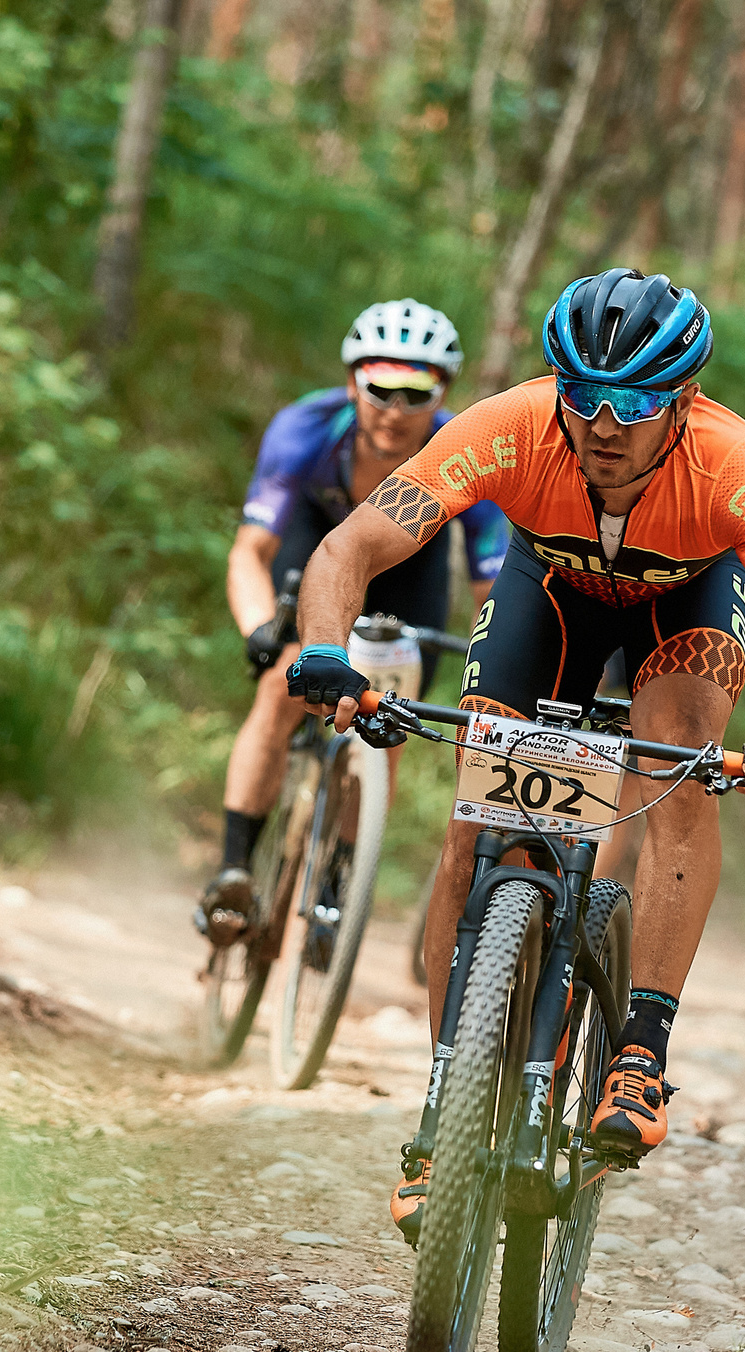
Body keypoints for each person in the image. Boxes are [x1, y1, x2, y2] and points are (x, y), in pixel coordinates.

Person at [281, 269, 745, 1246]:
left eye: (630, 400)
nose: (601, 422)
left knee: (676, 761)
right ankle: (441, 1120)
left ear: (679, 399)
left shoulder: (735, 463)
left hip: (688, 604)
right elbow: (349, 548)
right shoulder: (510, 426)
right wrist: (329, 654)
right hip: (547, 595)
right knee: (471, 835)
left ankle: (639, 1049)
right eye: (581, 394)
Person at [196, 300, 507, 946]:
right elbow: (249, 553)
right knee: (283, 684)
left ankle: (338, 881)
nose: (395, 407)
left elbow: (492, 590)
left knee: (385, 717)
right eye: (380, 387)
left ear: (442, 394)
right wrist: (259, 627)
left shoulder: (463, 453)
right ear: (351, 384)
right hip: (317, 549)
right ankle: (233, 867)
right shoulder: (304, 431)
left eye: (416, 391)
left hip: (408, 576)